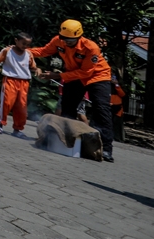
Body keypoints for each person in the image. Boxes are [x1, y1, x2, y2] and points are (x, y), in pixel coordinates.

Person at [34, 19, 115, 162]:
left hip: (97, 76)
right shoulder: (58, 41)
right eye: (64, 38)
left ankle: (106, 148)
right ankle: (65, 140)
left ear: (79, 37)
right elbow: (44, 51)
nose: (66, 42)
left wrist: (58, 76)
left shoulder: (91, 48)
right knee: (68, 107)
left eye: (71, 40)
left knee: (101, 109)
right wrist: (24, 51)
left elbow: (86, 73)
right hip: (73, 75)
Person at [0, 32, 40, 138]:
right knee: (6, 102)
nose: (25, 46)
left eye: (27, 44)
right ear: (16, 41)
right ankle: (0, 124)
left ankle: (17, 129)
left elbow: (32, 67)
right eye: (23, 43)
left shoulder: (28, 54)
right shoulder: (7, 51)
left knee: (21, 106)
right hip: (9, 79)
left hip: (24, 82)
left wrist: (37, 69)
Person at [110, 75, 126, 143]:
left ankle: (118, 137)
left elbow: (122, 94)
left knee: (117, 123)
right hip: (109, 106)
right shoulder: (107, 85)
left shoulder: (118, 86)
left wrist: (116, 84)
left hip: (118, 107)